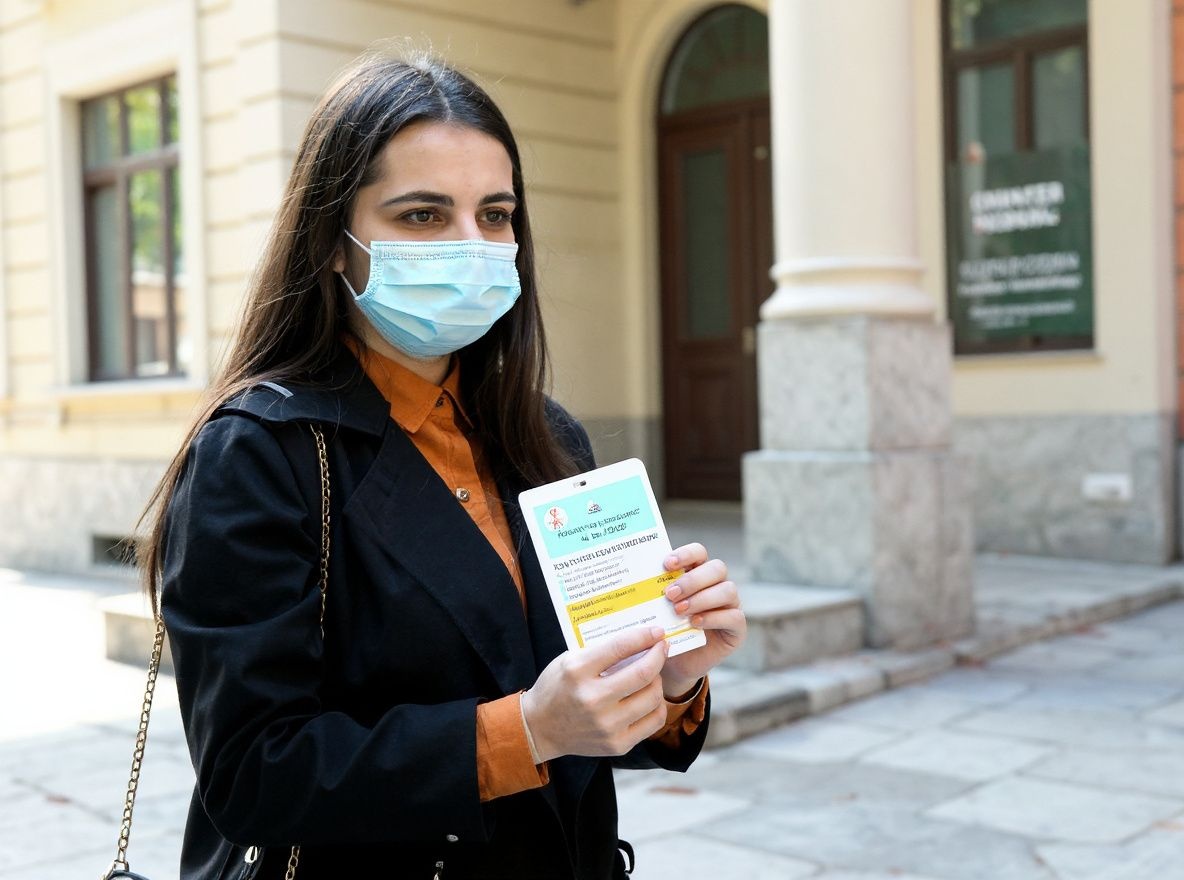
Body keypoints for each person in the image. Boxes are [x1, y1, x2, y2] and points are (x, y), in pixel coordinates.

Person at [141, 51, 746, 879]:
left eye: (495, 215)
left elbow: (588, 728)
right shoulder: (257, 453)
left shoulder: (548, 438)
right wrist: (527, 730)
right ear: (332, 242)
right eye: (423, 216)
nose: (473, 245)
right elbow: (252, 772)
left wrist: (669, 681)